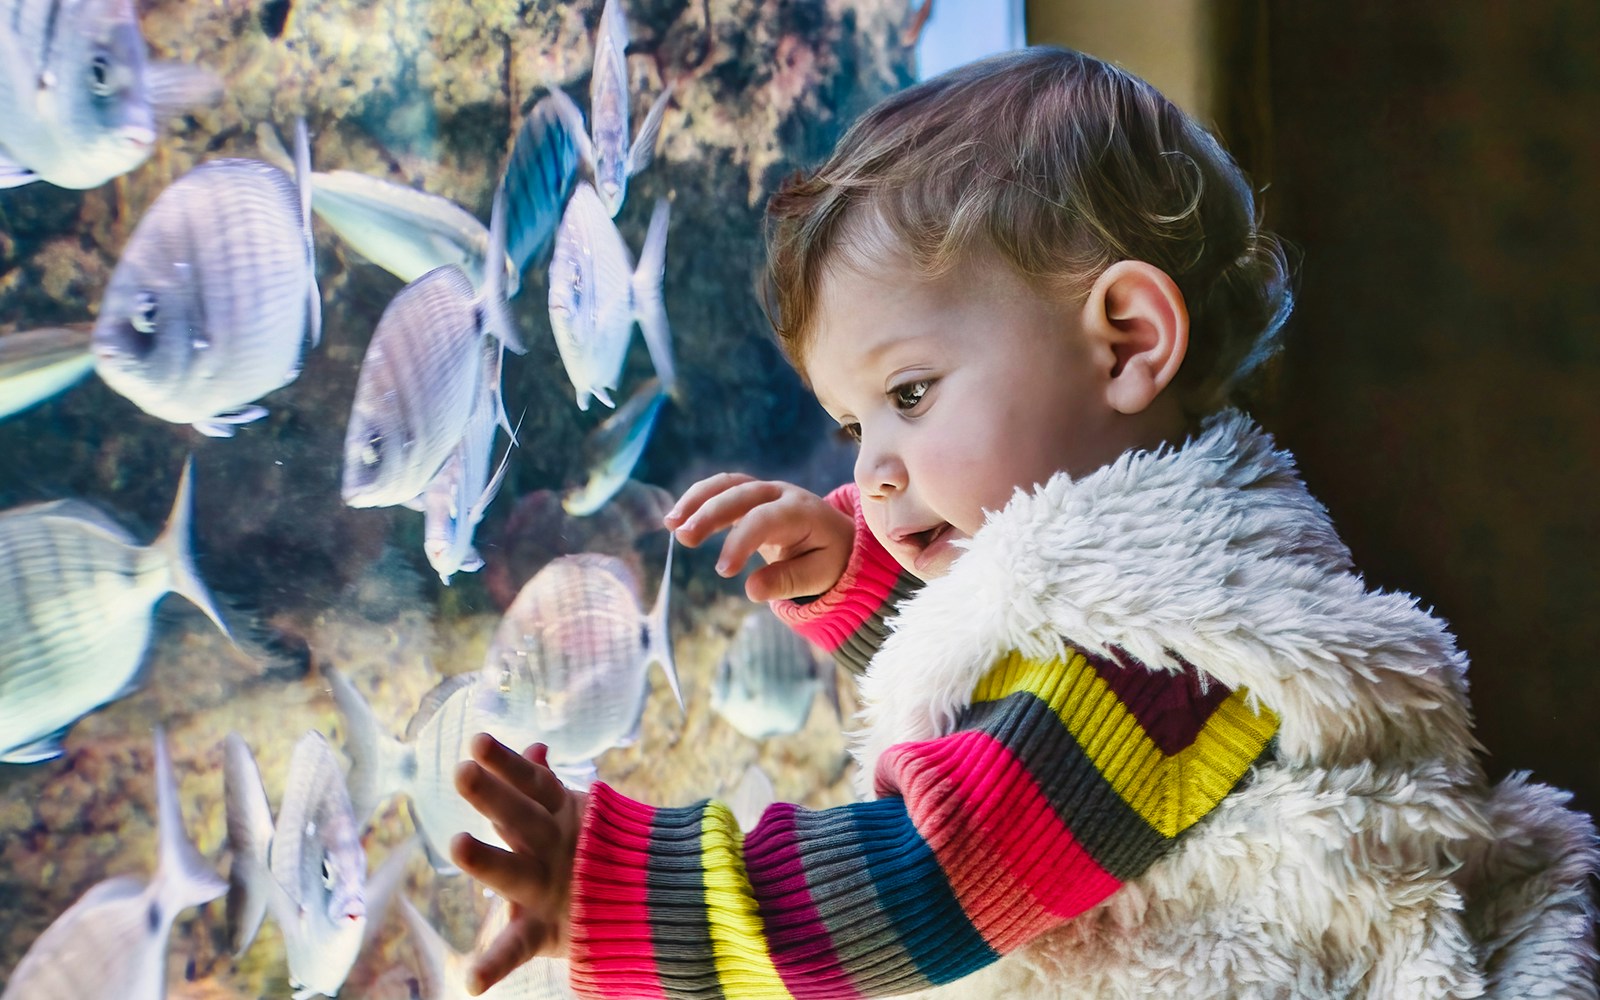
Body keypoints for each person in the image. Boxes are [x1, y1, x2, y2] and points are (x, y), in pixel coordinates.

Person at [449, 47, 1599, 999]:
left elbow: (926, 888)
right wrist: (862, 579)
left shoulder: (1154, 651)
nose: (874, 471)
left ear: (1126, 342)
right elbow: (1023, 698)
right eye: (852, 424)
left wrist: (614, 887)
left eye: (907, 395)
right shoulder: (1175, 573)